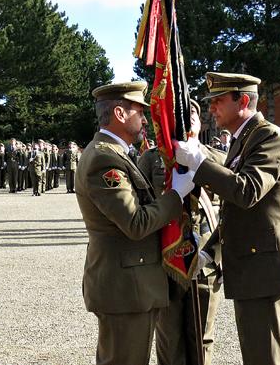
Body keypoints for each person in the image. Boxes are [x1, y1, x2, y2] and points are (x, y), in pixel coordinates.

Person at [174, 72, 280, 365]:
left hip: (263, 268)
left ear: (243, 100)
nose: (212, 108)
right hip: (251, 265)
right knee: (255, 352)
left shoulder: (269, 136)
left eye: (218, 101)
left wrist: (199, 162)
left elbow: (246, 192)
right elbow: (235, 211)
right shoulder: (243, 138)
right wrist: (210, 251)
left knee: (264, 356)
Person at [75, 81, 195, 365]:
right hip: (124, 288)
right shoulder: (104, 159)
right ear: (119, 113)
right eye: (139, 112)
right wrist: (177, 194)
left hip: (131, 285)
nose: (144, 119)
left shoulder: (113, 153)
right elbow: (136, 222)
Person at [140, 99, 225, 365]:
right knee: (169, 339)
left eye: (193, 113)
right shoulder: (152, 158)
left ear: (201, 121)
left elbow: (232, 216)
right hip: (165, 262)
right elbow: (141, 209)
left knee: (202, 339)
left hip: (205, 262)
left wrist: (213, 255)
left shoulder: (217, 159)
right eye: (179, 113)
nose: (187, 118)